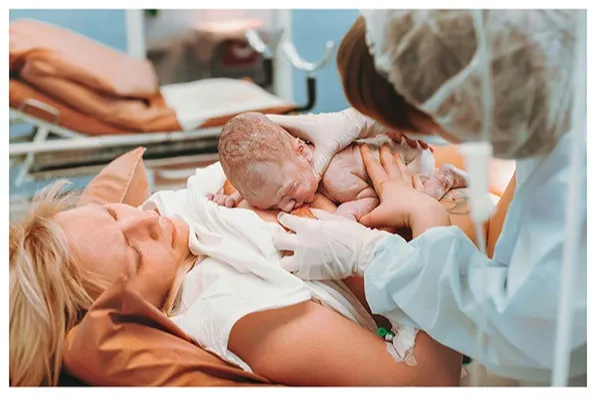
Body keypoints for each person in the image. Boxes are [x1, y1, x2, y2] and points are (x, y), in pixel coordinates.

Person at [269, 11, 587, 384]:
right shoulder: (556, 76)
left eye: (426, 123)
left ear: (464, 95)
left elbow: (529, 327)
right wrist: (364, 121)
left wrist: (376, 254)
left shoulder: (574, 167)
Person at [9, 178, 462, 386]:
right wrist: (430, 221)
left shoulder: (174, 218)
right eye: (133, 254)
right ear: (124, 309)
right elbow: (426, 380)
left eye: (111, 213)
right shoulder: (239, 314)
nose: (143, 220)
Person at [212, 111, 466, 220]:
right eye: (275, 205)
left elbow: (374, 196)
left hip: (410, 160)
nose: (287, 207)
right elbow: (266, 187)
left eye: (289, 193)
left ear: (303, 152)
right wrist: (233, 198)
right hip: (395, 144)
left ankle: (444, 178)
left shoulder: (335, 177)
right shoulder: (288, 171)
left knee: (411, 202)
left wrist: (350, 213)